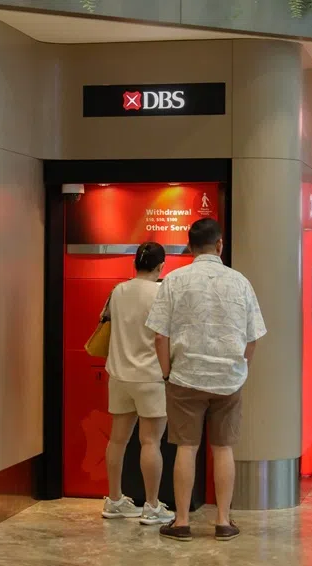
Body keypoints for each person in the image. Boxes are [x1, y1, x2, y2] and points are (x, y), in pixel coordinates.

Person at [146, 218, 266, 542]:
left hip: (185, 376)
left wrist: (167, 373)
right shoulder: (240, 282)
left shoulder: (173, 280)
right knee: (223, 447)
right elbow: (253, 337)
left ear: (189, 247)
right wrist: (242, 368)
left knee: (186, 447)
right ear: (220, 245)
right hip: (228, 379)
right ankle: (224, 521)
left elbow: (160, 335)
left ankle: (182, 521)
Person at [100, 242, 175, 526]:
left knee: (117, 439)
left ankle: (115, 499)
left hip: (119, 375)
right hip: (150, 377)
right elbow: (165, 336)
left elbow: (105, 320)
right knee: (150, 441)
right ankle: (152, 505)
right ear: (160, 265)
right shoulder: (161, 292)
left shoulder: (118, 291)